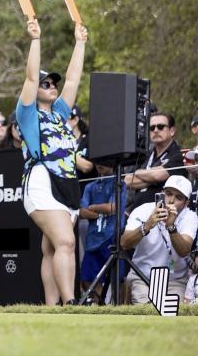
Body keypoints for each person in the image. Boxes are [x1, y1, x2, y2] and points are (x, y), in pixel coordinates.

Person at [16, 19, 93, 306]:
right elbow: (31, 79)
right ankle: (72, 302)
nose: (51, 86)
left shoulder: (60, 112)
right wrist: (35, 40)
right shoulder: (27, 114)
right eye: (46, 83)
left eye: (52, 84)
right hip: (41, 181)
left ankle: (51, 308)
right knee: (66, 242)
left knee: (51, 248)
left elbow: (72, 80)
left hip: (66, 184)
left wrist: (80, 43)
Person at [119, 175, 197, 304]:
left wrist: (171, 227)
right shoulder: (143, 210)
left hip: (174, 281)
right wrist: (147, 225)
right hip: (142, 277)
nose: (171, 200)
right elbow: (124, 243)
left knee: (173, 315)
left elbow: (184, 251)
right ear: (161, 193)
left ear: (186, 203)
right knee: (146, 311)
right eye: (168, 194)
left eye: (178, 197)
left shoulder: (190, 217)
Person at [78, 163, 125, 302]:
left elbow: (113, 207)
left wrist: (92, 207)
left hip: (112, 236)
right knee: (87, 278)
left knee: (118, 278)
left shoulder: (119, 183)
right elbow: (82, 211)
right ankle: (101, 306)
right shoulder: (89, 186)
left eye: (104, 161)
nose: (99, 165)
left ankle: (119, 308)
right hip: (93, 239)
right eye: (97, 161)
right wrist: (100, 211)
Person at [125, 112, 188, 211]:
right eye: (152, 128)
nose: (155, 130)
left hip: (163, 215)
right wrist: (154, 179)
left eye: (160, 127)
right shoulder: (146, 155)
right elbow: (128, 181)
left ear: (172, 131)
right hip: (137, 214)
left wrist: (139, 173)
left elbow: (158, 176)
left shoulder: (179, 154)